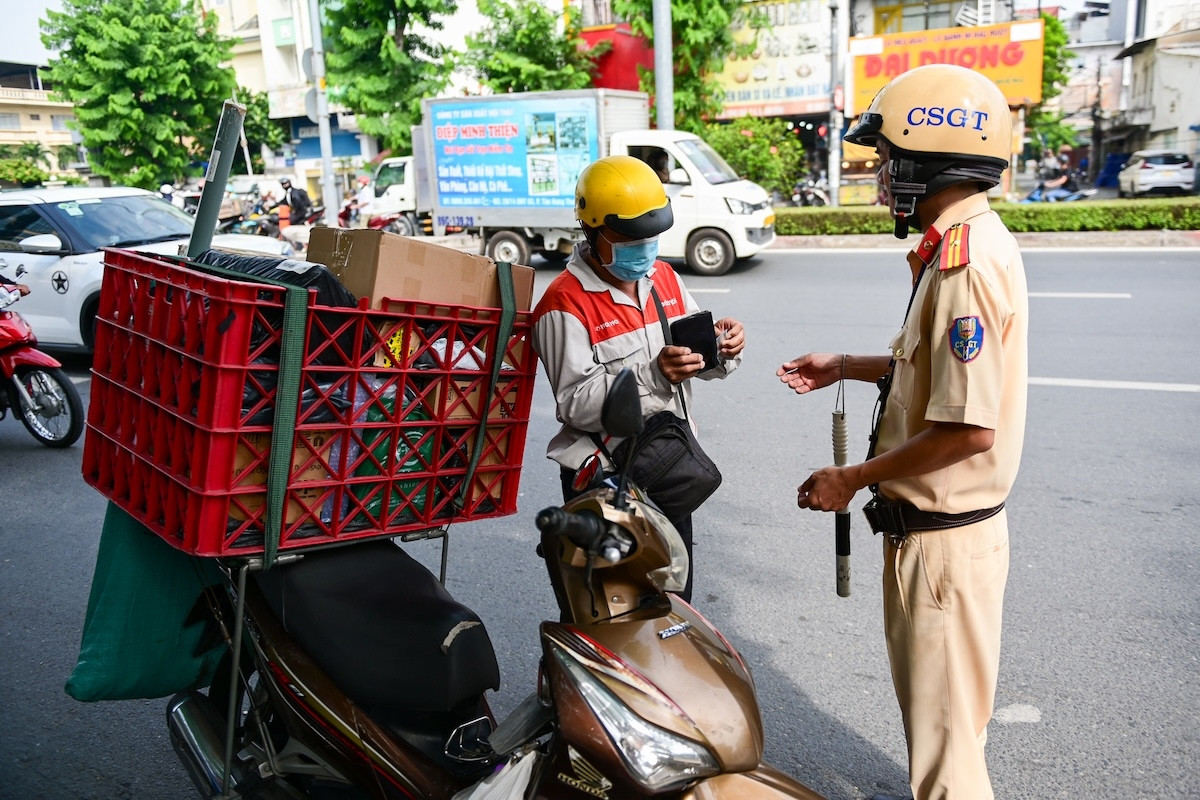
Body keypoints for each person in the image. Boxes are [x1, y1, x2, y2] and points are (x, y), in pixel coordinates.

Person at [777, 64, 1028, 800]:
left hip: (942, 547)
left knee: (947, 764)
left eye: (889, 161)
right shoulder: (968, 244)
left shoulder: (965, 267)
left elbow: (968, 429)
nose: (882, 176)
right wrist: (847, 366)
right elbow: (931, 378)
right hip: (944, 537)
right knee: (950, 732)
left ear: (931, 158)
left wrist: (848, 479)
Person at [531, 155, 745, 603]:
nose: (645, 247)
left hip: (667, 468)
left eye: (653, 236)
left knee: (673, 605)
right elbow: (574, 402)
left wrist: (721, 350)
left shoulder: (663, 276)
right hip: (606, 483)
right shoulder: (563, 303)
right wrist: (654, 375)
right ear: (592, 231)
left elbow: (694, 358)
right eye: (631, 237)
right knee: (615, 614)